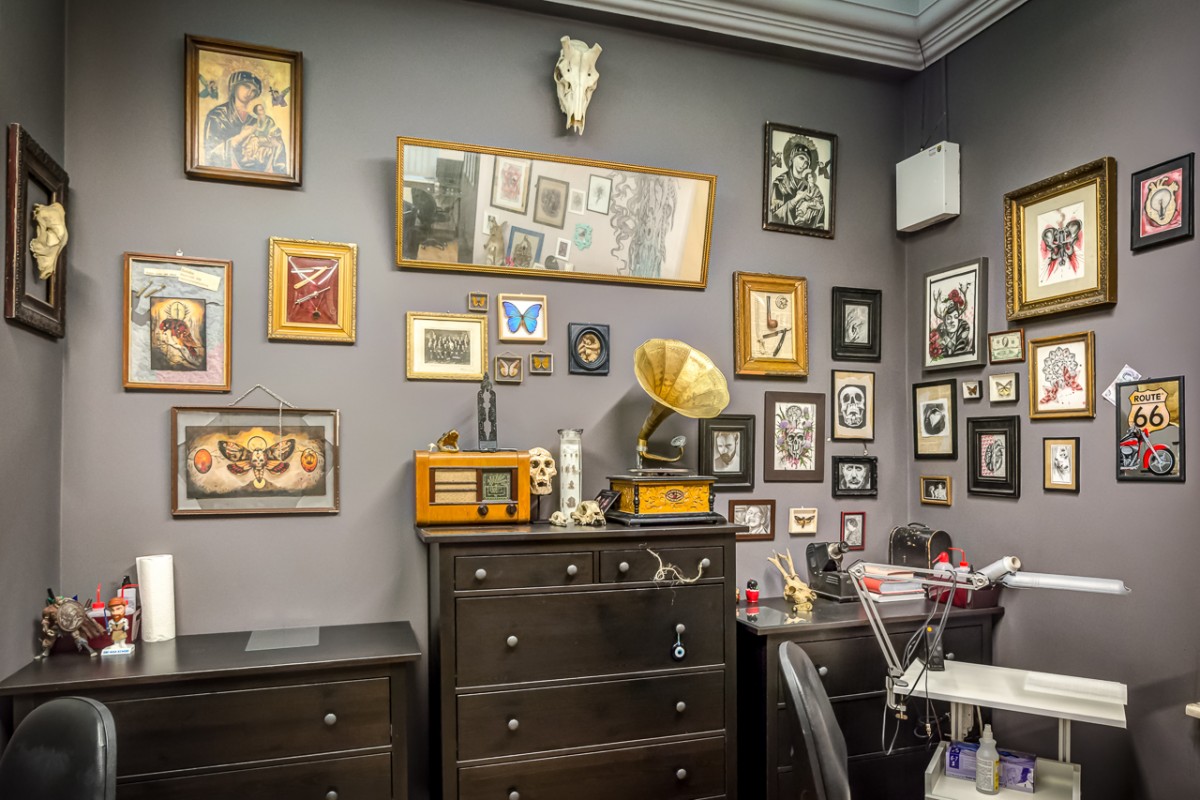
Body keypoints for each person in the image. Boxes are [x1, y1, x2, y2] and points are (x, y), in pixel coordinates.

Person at [202, 70, 287, 173]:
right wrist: (241, 137)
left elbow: (278, 145)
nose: (250, 93)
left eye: (254, 91)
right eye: (246, 86)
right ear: (234, 86)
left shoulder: (257, 120)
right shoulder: (218, 116)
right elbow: (210, 153)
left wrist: (262, 140)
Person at [769, 135, 825, 228]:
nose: (804, 164)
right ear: (792, 157)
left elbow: (820, 209)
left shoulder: (812, 187)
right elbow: (774, 216)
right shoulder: (780, 183)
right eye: (801, 158)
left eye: (806, 162)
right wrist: (795, 200)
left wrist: (807, 215)